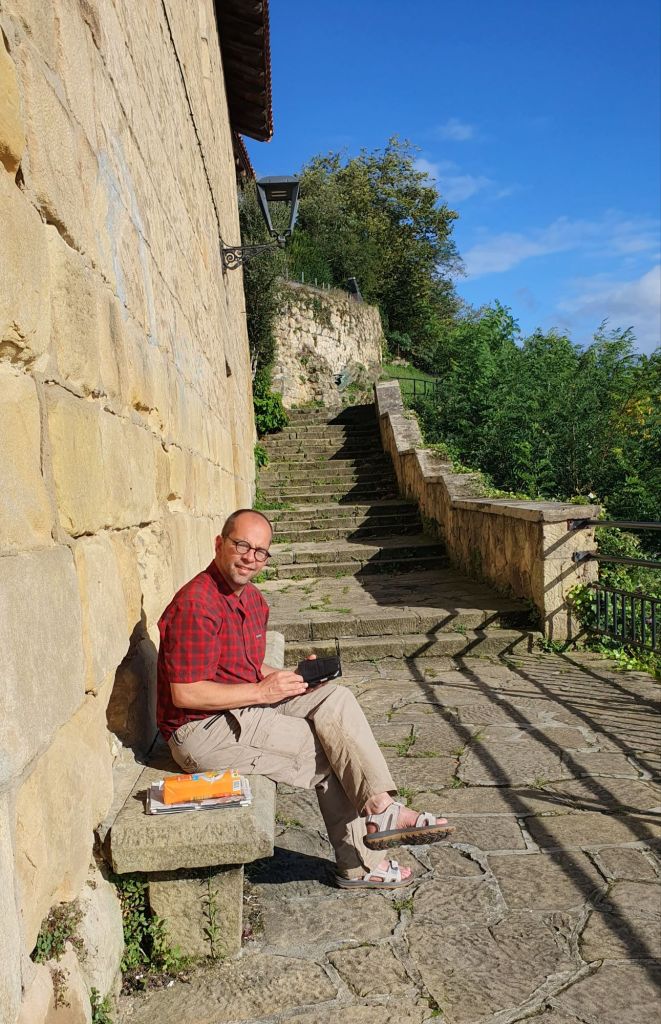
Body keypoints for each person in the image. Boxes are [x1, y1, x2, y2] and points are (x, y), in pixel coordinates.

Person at [156, 508, 453, 888]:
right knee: (330, 750)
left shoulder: (252, 600)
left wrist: (293, 680)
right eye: (241, 545)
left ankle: (381, 810)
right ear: (219, 544)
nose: (249, 557)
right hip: (201, 730)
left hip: (240, 705)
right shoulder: (197, 605)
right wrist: (263, 691)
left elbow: (247, 667)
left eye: (260, 551)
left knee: (335, 699)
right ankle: (364, 858)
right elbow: (186, 692)